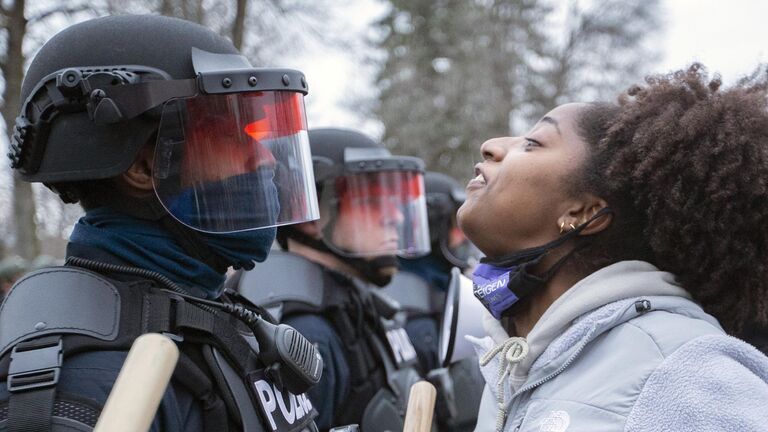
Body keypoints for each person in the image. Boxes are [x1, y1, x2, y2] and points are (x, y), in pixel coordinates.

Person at [1, 15, 323, 432]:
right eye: (229, 134)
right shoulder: (90, 380)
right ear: (144, 166)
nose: (264, 158)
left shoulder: (209, 317)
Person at [459, 64, 768, 431]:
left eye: (533, 143)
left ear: (584, 212)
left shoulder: (684, 370)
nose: (492, 146)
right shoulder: (513, 364)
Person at [229, 128, 430, 431]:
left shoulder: (358, 308)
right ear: (311, 217)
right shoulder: (305, 332)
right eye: (373, 201)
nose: (397, 217)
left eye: (395, 202)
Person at [382, 171, 483, 431]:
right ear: (431, 226)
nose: (463, 237)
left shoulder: (442, 289)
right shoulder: (416, 317)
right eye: (455, 225)